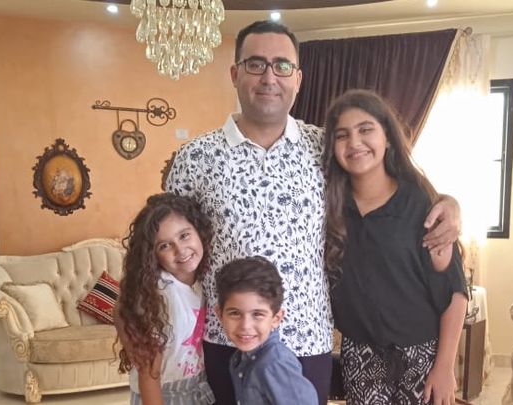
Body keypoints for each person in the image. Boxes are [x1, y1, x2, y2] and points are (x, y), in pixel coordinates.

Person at [165, 20, 462, 405]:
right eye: (256, 64)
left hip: (307, 340)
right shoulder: (195, 158)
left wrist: (448, 203)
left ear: (298, 78)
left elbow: (384, 188)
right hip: (228, 338)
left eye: (282, 65)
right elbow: (166, 244)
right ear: (235, 74)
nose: (269, 76)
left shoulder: (326, 149)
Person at [323, 89, 469, 405]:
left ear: (387, 137)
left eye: (365, 130)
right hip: (360, 354)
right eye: (342, 135)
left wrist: (445, 367)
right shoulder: (329, 207)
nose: (354, 142)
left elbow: (454, 291)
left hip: (422, 354)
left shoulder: (421, 205)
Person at [115, 193, 215, 405]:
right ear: (152, 255)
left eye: (184, 235)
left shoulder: (202, 281)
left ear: (198, 231)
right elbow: (148, 375)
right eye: (165, 246)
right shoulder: (158, 295)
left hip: (198, 388)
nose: (180, 249)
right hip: (163, 395)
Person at [215, 256, 318, 405]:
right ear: (220, 315)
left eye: (257, 314)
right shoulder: (240, 358)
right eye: (235, 313)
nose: (245, 326)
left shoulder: (275, 364)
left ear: (276, 318)